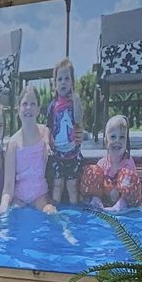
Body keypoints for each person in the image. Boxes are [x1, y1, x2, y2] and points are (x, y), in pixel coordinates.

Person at [0, 84, 55, 215]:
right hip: (19, 199)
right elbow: (8, 186)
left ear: (38, 109)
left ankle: (67, 235)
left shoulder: (44, 132)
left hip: (40, 197)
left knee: (52, 213)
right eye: (24, 104)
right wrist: (3, 205)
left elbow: (47, 131)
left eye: (32, 104)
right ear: (18, 109)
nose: (28, 107)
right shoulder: (13, 144)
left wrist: (47, 143)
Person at [81, 114, 142, 209]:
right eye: (113, 137)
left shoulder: (128, 162)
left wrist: (117, 191)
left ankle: (121, 204)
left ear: (127, 141)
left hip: (124, 200)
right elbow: (96, 183)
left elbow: (131, 186)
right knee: (92, 170)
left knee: (129, 176)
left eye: (122, 137)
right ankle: (95, 200)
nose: (117, 141)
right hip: (106, 198)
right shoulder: (102, 163)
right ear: (106, 142)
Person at [46, 58, 85, 208]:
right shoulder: (52, 106)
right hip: (57, 155)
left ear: (72, 82)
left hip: (73, 154)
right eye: (59, 79)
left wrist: (76, 99)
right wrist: (48, 143)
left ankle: (75, 211)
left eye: (67, 78)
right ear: (54, 83)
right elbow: (49, 127)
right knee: (57, 184)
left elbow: (79, 119)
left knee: (72, 186)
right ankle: (55, 210)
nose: (63, 82)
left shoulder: (73, 103)